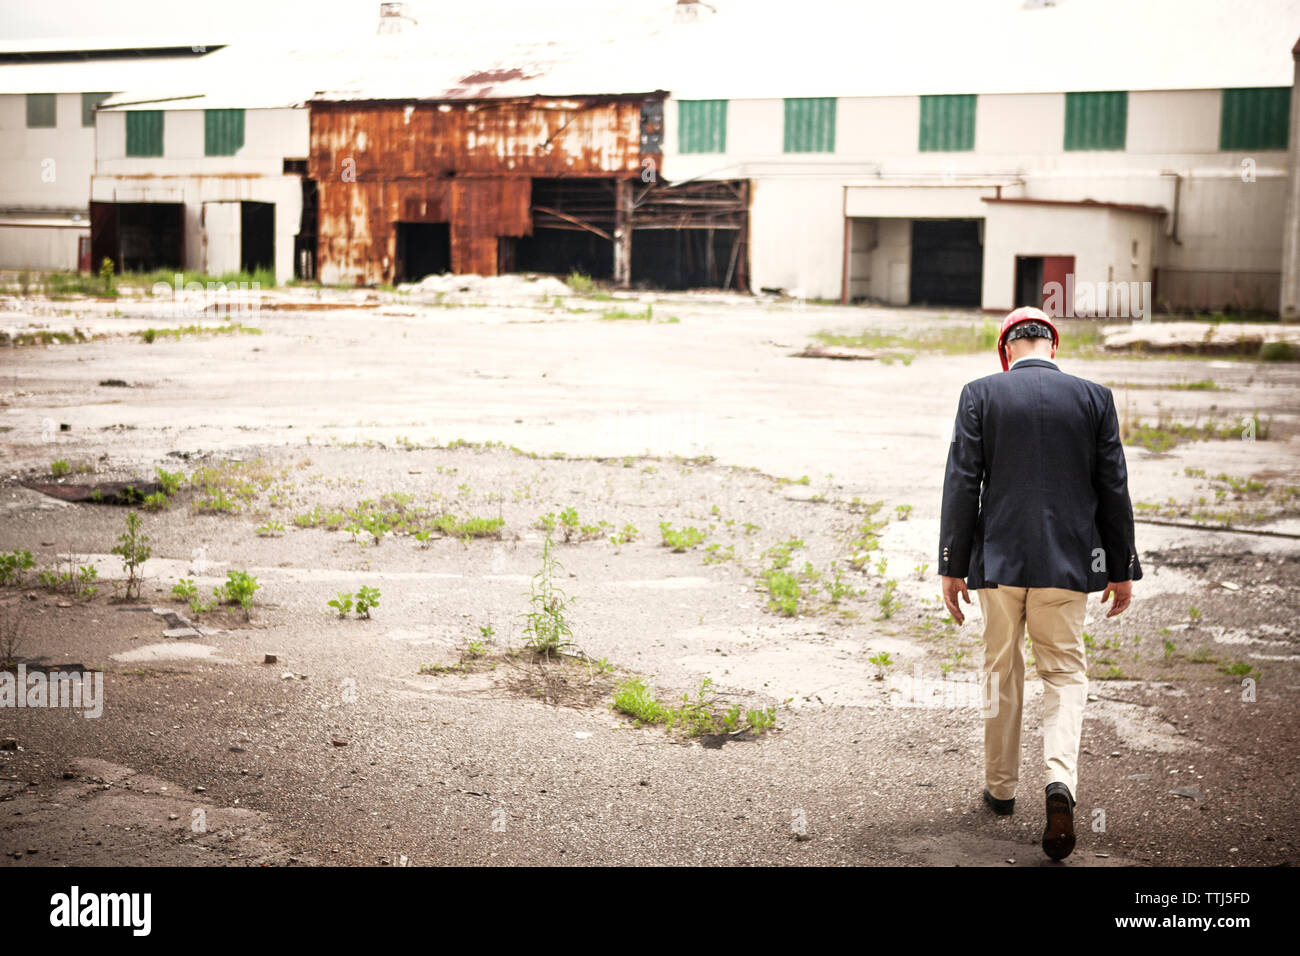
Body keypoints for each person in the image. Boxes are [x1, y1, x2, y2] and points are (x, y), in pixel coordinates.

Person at [937, 306, 1142, 861]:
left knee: (1001, 668)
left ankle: (1001, 790)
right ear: (1054, 348)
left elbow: (962, 480)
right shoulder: (1095, 398)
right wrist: (1121, 566)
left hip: (999, 565)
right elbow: (1113, 486)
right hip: (1067, 565)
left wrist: (951, 563)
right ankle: (1059, 784)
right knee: (1065, 674)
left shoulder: (980, 393)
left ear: (1006, 351)